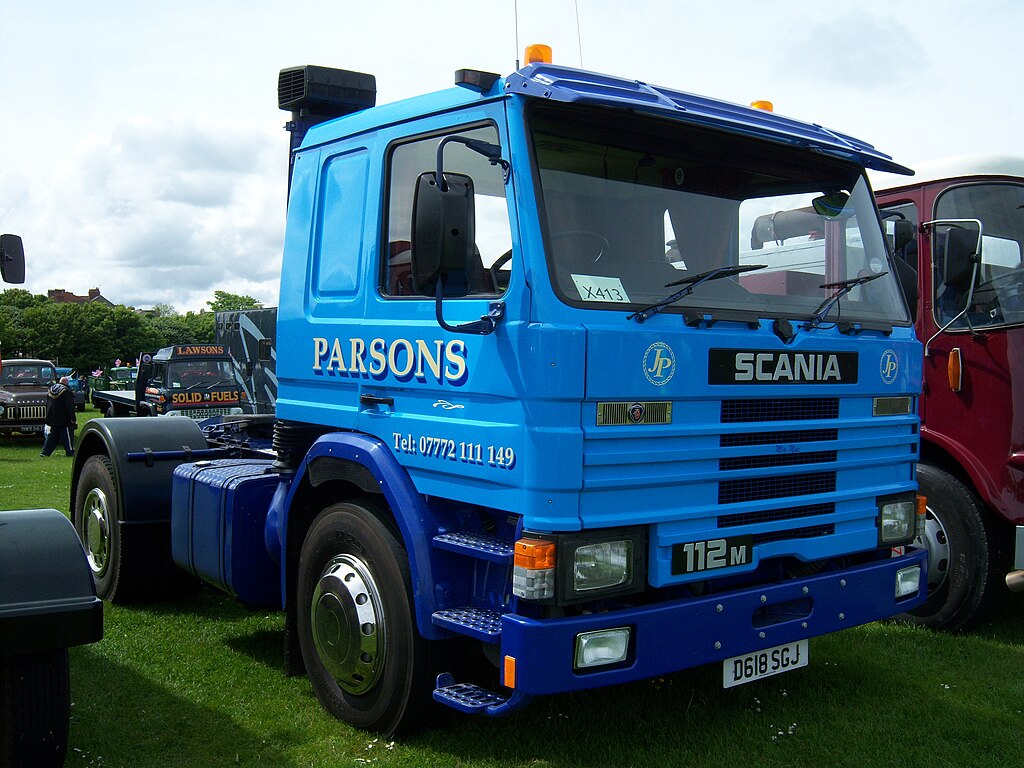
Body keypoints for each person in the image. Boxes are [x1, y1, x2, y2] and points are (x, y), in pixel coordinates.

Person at [40, 376, 77, 457]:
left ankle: (45, 452)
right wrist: (73, 418)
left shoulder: (51, 389)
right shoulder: (66, 391)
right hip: (63, 418)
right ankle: (70, 451)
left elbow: (48, 404)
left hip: (52, 417)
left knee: (53, 436)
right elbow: (69, 406)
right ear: (67, 383)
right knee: (67, 435)